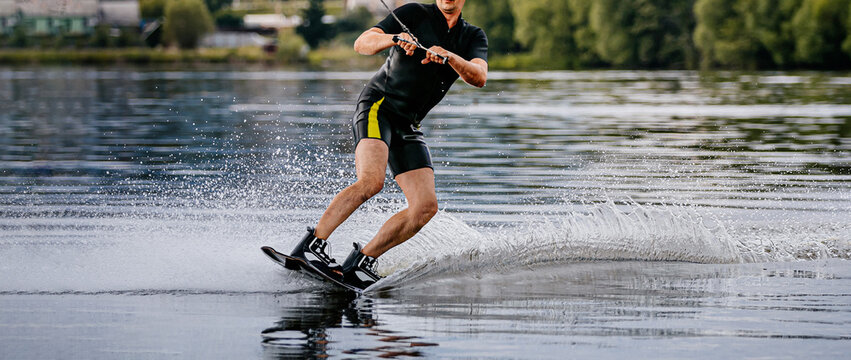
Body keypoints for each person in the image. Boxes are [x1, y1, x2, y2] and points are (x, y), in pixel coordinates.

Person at [290, 0, 488, 289]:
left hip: (408, 124)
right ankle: (311, 245)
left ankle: (362, 262)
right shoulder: (414, 14)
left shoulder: (472, 36)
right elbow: (362, 43)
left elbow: (479, 76)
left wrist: (449, 57)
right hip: (379, 106)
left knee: (425, 207)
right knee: (371, 181)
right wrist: (394, 39)